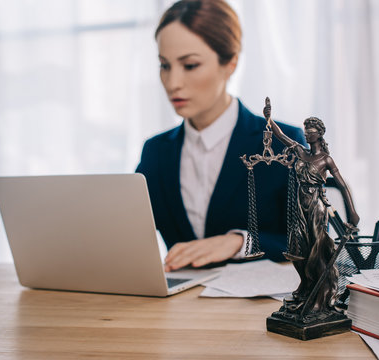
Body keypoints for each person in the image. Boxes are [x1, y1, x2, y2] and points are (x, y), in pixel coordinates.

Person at [136, 0, 306, 272]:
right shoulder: (156, 152)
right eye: (164, 66)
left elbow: (312, 242)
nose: (172, 83)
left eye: (189, 65)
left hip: (258, 309)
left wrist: (240, 241)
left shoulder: (284, 144)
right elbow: (127, 234)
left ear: (231, 64)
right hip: (176, 309)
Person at [267, 111, 360, 312]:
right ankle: (306, 286)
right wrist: (269, 119)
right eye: (306, 132)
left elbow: (342, 186)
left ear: (319, 134)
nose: (307, 135)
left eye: (310, 132)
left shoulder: (326, 159)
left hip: (317, 205)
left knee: (316, 250)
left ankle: (321, 295)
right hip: (300, 205)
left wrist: (352, 213)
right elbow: (281, 136)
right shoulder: (301, 152)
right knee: (298, 249)